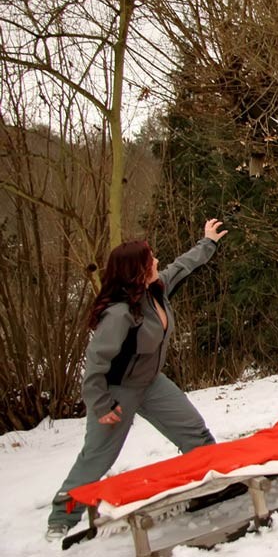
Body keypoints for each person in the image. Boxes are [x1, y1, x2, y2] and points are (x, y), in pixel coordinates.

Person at [46, 219, 229, 539]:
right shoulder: (118, 313)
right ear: (136, 271)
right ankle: (63, 515)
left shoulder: (155, 289)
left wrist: (208, 242)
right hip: (117, 392)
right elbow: (95, 364)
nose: (157, 261)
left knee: (194, 431)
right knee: (97, 457)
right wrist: (101, 404)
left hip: (152, 383)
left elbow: (183, 266)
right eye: (151, 260)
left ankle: (211, 485)